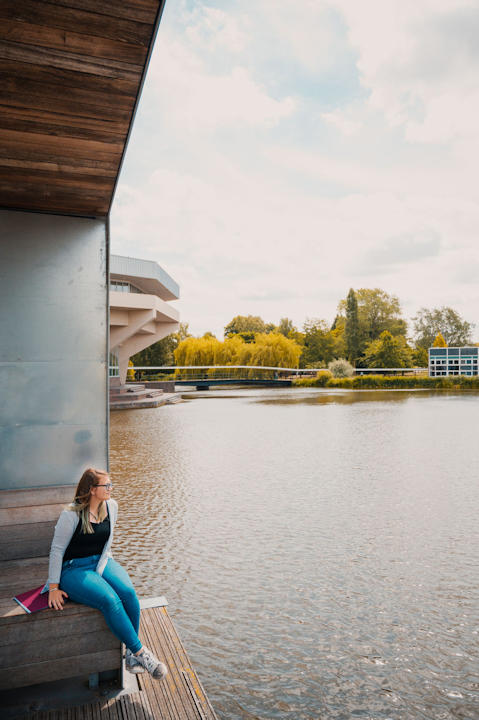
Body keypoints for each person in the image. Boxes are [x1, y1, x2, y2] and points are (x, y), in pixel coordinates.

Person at [46, 467, 167, 680]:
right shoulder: (71, 514)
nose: (111, 488)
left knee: (129, 593)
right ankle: (141, 653)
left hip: (102, 560)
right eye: (106, 485)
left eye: (111, 484)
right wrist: (54, 587)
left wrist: (104, 566)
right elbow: (56, 550)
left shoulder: (111, 507)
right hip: (74, 568)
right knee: (110, 600)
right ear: (92, 489)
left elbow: (107, 543)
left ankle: (130, 656)